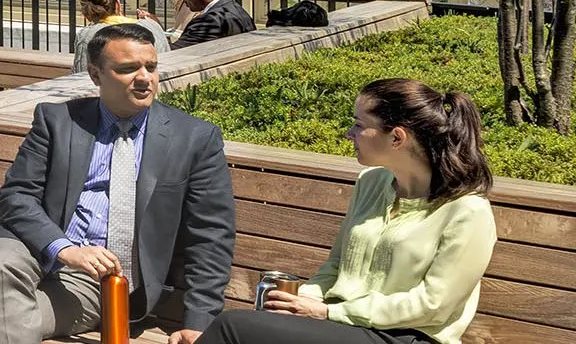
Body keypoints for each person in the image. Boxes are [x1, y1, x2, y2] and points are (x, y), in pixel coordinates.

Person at [0, 23, 235, 344]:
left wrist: (200, 321)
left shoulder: (194, 138)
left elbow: (211, 235)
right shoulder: (58, 121)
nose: (145, 78)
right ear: (95, 74)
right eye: (128, 69)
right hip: (40, 248)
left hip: (101, 283)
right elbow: (16, 197)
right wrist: (64, 249)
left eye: (151, 66)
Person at [204, 78, 496, 344]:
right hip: (344, 325)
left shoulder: (467, 211)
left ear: (397, 138)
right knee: (255, 324)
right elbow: (336, 266)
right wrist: (298, 300)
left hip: (406, 336)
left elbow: (432, 306)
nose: (349, 134)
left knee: (232, 327)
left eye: (359, 124)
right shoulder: (372, 183)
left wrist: (328, 312)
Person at [71, 0, 166, 74]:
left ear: (86, 14)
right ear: (118, 5)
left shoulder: (88, 35)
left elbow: (81, 75)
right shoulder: (152, 26)